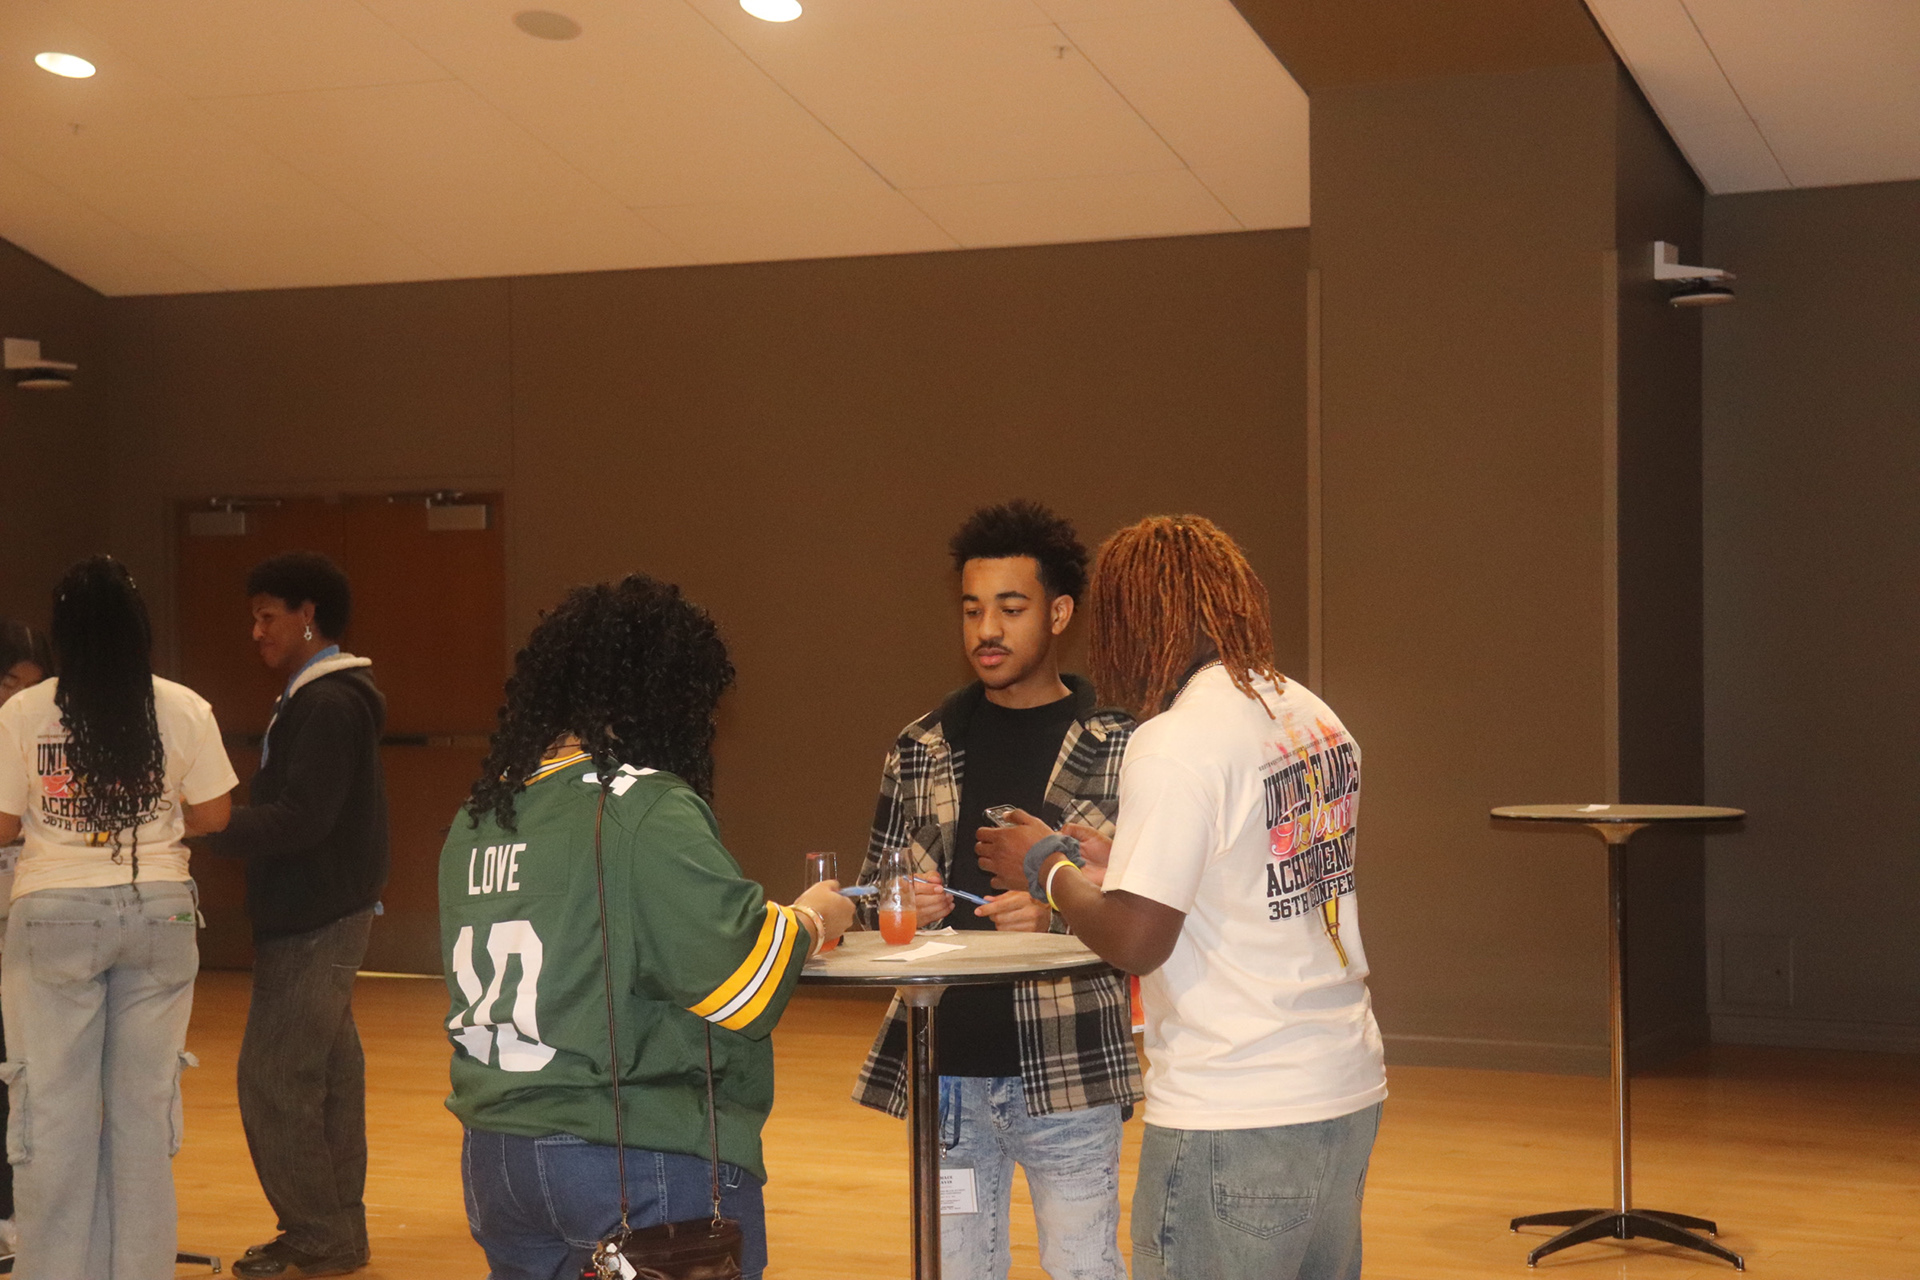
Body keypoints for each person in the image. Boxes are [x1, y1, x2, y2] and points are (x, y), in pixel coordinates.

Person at [977, 515, 1388, 1280]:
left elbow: (1136, 943)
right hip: (1344, 1086)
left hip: (1234, 1105)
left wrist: (1047, 869)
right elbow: (1258, 869)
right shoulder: (1311, 715)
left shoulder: (1175, 739)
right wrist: (1122, 865)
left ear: (1147, 617)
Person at [440, 574, 853, 1280]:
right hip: (631, 1154)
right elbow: (743, 983)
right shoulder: (642, 805)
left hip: (497, 1157)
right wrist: (814, 918)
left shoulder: (480, 815)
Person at [853, 501, 1141, 1280]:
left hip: (1071, 1065)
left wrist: (1056, 910)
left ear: (1058, 613)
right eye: (973, 609)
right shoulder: (921, 746)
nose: (987, 629)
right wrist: (902, 902)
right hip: (947, 1068)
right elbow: (868, 896)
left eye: (1011, 609)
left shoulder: (1122, 745)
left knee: (1084, 1266)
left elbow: (1144, 907)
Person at [0, 557, 238, 1280]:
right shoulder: (184, 707)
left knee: (54, 1117)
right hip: (161, 913)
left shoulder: (24, 711)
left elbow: (3, 825)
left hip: (53, 916)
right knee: (142, 1119)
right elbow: (215, 814)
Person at [203, 552, 389, 1280]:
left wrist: (213, 824)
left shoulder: (328, 703)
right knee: (328, 1079)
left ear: (308, 615)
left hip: (317, 917)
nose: (256, 631)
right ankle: (336, 1235)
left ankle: (317, 1234)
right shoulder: (321, 697)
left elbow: (304, 819)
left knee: (274, 1079)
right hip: (322, 911)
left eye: (267, 616)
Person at [0, 620, 53, 1251]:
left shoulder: (43, 732)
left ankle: (15, 1207)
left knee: (17, 1064)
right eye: (9, 682)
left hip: (28, 912)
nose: (18, 697)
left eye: (31, 686)